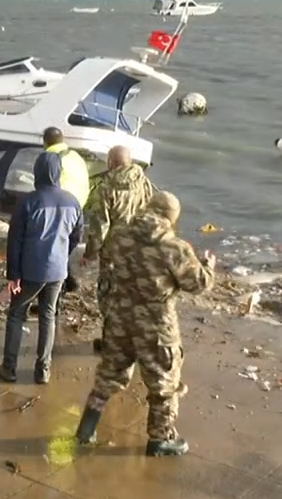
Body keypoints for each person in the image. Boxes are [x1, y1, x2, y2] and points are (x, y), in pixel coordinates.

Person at [75, 190, 215, 457]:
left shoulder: (121, 236)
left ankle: (86, 429)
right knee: (164, 382)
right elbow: (198, 284)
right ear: (171, 218)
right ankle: (160, 439)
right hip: (156, 324)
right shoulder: (175, 248)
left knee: (109, 374)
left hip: (120, 317)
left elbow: (111, 261)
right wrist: (208, 265)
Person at [0, 152, 84, 385]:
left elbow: (15, 241)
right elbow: (76, 236)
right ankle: (43, 370)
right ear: (57, 174)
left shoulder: (29, 202)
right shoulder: (72, 201)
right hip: (58, 270)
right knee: (48, 316)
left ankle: (9, 367)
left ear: (37, 173)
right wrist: (62, 253)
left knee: (16, 315)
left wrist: (13, 275)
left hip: (31, 270)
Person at [80, 145, 156, 353]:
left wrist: (89, 253)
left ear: (111, 163)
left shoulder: (107, 188)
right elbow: (153, 214)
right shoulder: (144, 183)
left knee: (108, 296)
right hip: (139, 250)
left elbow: (100, 226)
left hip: (114, 252)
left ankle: (111, 342)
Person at [42, 127, 91, 293]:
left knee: (53, 250)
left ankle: (55, 293)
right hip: (78, 208)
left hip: (60, 209)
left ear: (44, 142)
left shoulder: (49, 158)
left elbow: (45, 186)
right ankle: (69, 281)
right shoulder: (76, 156)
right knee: (65, 247)